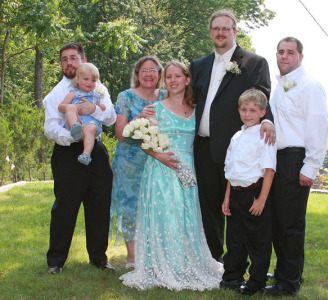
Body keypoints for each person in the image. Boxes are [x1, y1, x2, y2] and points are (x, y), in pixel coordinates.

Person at [120, 61, 223, 291]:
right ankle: (165, 264)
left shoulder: (197, 109)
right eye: (169, 77)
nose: (173, 80)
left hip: (189, 171)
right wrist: (161, 157)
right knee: (166, 215)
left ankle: (187, 261)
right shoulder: (155, 109)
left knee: (186, 217)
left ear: (187, 80)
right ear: (164, 81)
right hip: (161, 170)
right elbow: (142, 142)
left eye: (178, 76)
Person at [189, 8, 276, 265]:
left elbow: (261, 95)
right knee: (209, 208)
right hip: (203, 148)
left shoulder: (253, 63)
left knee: (239, 212)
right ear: (210, 33)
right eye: (216, 28)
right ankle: (215, 261)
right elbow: (188, 100)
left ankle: (243, 265)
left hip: (238, 151)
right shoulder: (198, 65)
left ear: (235, 32)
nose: (220, 32)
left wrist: (267, 120)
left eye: (225, 28)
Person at [263, 37, 328, 296]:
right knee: (278, 221)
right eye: (280, 52)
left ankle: (288, 283)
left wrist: (310, 167)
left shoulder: (309, 86)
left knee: (290, 224)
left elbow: (319, 126)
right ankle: (286, 273)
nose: (284, 56)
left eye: (290, 52)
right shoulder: (280, 86)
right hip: (278, 159)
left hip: (295, 160)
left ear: (301, 57)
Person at [43, 43, 117, 274]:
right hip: (68, 152)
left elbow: (111, 117)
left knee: (99, 204)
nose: (69, 63)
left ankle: (99, 258)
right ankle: (56, 262)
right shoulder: (56, 94)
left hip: (95, 150)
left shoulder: (97, 86)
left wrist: (91, 110)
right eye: (64, 59)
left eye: (73, 58)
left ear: (83, 59)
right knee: (65, 206)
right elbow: (50, 127)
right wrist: (74, 136)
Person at [109, 56, 167, 270]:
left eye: (153, 70)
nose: (149, 74)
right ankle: (132, 256)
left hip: (158, 160)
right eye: (144, 70)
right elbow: (120, 135)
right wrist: (140, 117)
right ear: (137, 74)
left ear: (160, 74)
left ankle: (155, 252)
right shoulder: (126, 97)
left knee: (156, 204)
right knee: (131, 206)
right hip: (129, 162)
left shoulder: (167, 96)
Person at [221, 88, 277, 296]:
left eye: (253, 110)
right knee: (235, 238)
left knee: (257, 240)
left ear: (263, 112)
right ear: (238, 110)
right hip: (235, 194)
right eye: (244, 109)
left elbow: (269, 169)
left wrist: (262, 199)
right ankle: (233, 275)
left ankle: (256, 280)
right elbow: (230, 169)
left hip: (254, 194)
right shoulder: (236, 136)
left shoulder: (264, 135)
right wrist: (227, 197)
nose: (247, 114)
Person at [58, 63, 106, 165]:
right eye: (86, 79)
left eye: (93, 80)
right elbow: (61, 107)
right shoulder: (73, 93)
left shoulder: (96, 96)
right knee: (70, 107)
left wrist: (100, 106)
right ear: (77, 79)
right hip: (76, 120)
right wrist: (74, 107)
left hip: (89, 123)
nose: (89, 82)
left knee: (92, 128)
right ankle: (74, 129)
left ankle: (86, 154)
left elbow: (101, 110)